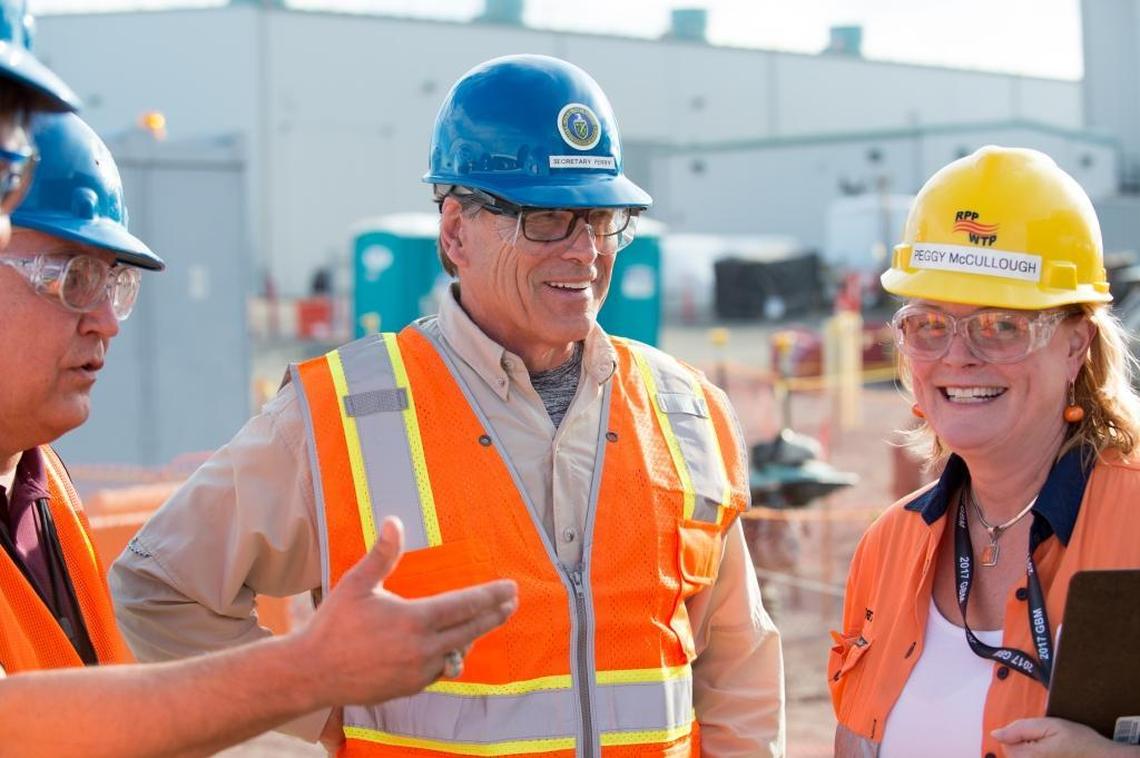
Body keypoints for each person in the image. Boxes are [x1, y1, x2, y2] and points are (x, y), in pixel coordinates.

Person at [111, 54, 786, 756]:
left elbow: (737, 661)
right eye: (548, 218)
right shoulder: (347, 415)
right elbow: (159, 586)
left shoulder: (684, 410)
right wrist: (313, 699)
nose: (586, 250)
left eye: (603, 218)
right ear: (456, 232)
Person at [0, 105, 517, 754]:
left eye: (114, 282)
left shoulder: (38, 485)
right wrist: (313, 673)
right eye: (73, 278)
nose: (107, 319)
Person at [828, 145, 1140, 758]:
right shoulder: (888, 545)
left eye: (1002, 325)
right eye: (929, 324)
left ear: (1076, 345)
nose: (958, 356)